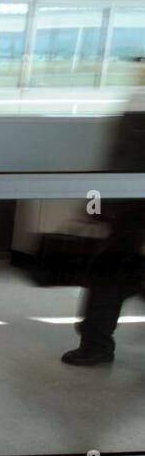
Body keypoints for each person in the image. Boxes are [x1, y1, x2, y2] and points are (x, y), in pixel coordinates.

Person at [61, 68, 145, 366]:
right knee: (113, 274)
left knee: (111, 274)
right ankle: (95, 343)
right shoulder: (137, 103)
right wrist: (97, 203)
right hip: (127, 211)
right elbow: (120, 157)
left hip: (131, 213)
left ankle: (95, 344)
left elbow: (123, 157)